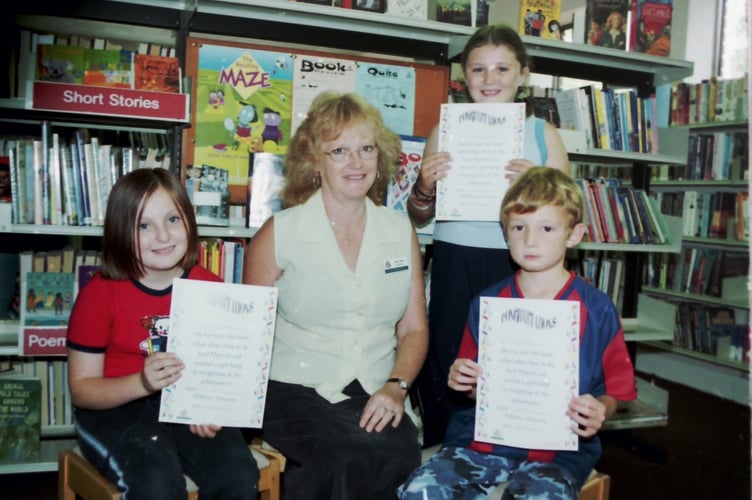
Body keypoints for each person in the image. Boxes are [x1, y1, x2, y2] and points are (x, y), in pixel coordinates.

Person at [398, 167, 637, 499]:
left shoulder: (597, 309)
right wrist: (465, 382)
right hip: (480, 443)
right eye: (519, 228)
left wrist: (600, 409)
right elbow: (475, 393)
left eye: (547, 228)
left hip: (558, 452)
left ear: (574, 234)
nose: (531, 240)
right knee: (420, 491)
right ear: (505, 233)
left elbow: (615, 390)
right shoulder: (487, 304)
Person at [243, 91, 428, 499]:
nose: (356, 162)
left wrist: (397, 386)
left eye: (366, 149)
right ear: (315, 161)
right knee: (340, 456)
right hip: (294, 386)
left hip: (379, 387)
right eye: (339, 150)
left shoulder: (400, 232)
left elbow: (413, 328)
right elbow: (245, 332)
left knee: (398, 455)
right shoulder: (280, 232)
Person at [407, 23, 570, 447]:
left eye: (502, 69)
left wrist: (537, 183)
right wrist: (424, 186)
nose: (490, 80)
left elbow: (567, 212)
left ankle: (509, 448)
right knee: (449, 357)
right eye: (478, 70)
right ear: (463, 77)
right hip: (454, 257)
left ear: (523, 74)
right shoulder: (444, 132)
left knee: (511, 360)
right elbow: (419, 215)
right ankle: (446, 452)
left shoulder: (542, 134)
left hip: (517, 263)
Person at [66, 168, 259, 500]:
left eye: (172, 219)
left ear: (189, 221)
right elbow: (83, 391)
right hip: (114, 407)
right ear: (120, 233)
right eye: (144, 225)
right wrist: (142, 382)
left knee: (238, 473)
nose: (163, 235)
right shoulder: (99, 294)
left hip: (186, 405)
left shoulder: (211, 288)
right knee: (157, 482)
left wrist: (210, 407)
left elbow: (222, 370)